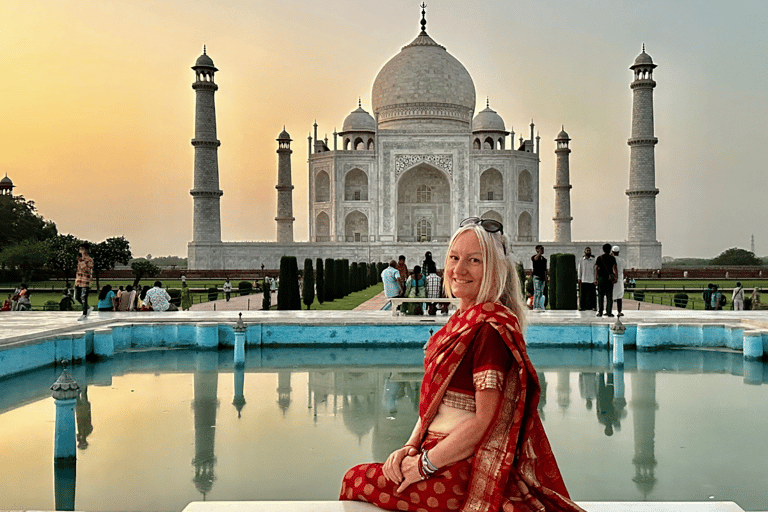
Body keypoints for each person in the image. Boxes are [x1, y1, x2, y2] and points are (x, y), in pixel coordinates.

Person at [340, 218, 583, 512]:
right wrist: (409, 447)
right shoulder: (460, 323)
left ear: (494, 270)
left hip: (459, 468)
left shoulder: (489, 331)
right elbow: (434, 404)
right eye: (454, 258)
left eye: (474, 260)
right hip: (437, 453)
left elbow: (485, 421)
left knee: (354, 480)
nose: (459, 269)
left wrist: (423, 466)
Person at [595, 243, 617, 317]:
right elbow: (615, 268)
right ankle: (609, 312)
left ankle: (600, 312)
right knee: (609, 296)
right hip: (609, 279)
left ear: (603, 250)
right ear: (610, 249)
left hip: (601, 278)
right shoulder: (612, 258)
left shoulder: (599, 258)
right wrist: (616, 277)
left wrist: (595, 278)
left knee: (600, 296)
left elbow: (596, 269)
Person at [75, 243, 94, 320]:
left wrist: (82, 262)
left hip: (85, 280)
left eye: (82, 249)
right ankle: (88, 307)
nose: (80, 251)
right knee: (76, 297)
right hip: (78, 280)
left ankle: (84, 314)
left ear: (86, 250)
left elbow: (87, 270)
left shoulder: (89, 260)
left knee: (83, 297)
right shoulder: (80, 259)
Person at [577, 246, 596, 311]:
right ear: (584, 252)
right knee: (582, 295)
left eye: (589, 251)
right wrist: (579, 278)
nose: (588, 252)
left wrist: (595, 279)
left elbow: (595, 270)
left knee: (593, 295)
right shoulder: (581, 260)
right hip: (583, 279)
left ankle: (593, 306)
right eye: (587, 251)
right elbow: (579, 270)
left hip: (591, 279)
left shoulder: (593, 260)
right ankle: (582, 306)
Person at [531, 245, 547, 311]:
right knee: (537, 292)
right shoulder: (534, 257)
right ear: (537, 250)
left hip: (542, 277)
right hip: (536, 276)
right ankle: (535, 306)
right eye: (540, 249)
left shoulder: (544, 259)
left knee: (540, 292)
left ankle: (540, 306)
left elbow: (545, 270)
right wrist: (538, 253)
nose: (542, 250)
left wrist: (546, 277)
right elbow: (535, 259)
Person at [611, 246, 626, 317]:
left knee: (610, 296)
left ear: (612, 252)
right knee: (619, 297)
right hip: (619, 279)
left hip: (612, 279)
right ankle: (619, 311)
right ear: (618, 252)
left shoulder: (610, 259)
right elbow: (624, 269)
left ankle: (609, 311)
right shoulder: (622, 260)